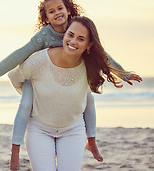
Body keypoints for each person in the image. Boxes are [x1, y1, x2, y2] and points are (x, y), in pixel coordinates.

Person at [0, 0, 142, 169]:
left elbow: (104, 57)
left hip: (69, 92)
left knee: (89, 99)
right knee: (26, 103)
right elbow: (21, 53)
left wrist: (124, 74)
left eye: (60, 8)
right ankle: (15, 152)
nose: (57, 13)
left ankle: (91, 140)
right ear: (46, 18)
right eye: (51, 11)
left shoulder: (77, 28)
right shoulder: (43, 36)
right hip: (37, 77)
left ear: (68, 10)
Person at [8, 16, 130, 171]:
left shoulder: (89, 65)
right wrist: (30, 94)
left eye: (81, 39)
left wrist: (125, 74)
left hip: (73, 129)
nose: (73, 42)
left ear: (88, 45)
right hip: (39, 128)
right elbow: (16, 78)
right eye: (70, 35)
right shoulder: (39, 60)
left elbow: (89, 103)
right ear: (64, 35)